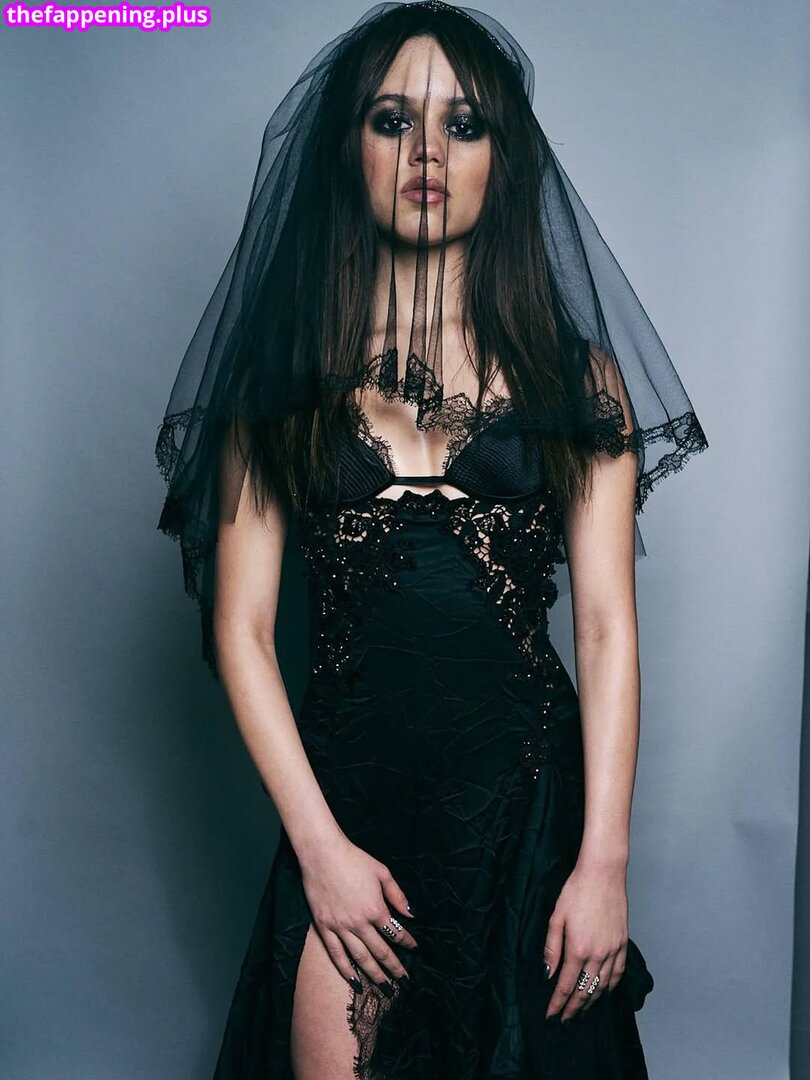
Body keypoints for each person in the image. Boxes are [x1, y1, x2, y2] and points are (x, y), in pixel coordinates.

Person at [154, 2, 709, 1076]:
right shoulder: (282, 382)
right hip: (350, 816)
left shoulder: (577, 379)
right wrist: (319, 851)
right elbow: (241, 632)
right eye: (391, 119)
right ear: (348, 149)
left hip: (528, 813)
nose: (426, 152)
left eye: (463, 124)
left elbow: (605, 628)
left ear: (504, 158)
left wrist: (604, 864)